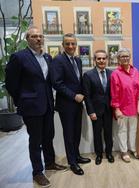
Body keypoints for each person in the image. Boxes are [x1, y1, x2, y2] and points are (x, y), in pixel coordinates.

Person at [5, 26, 66, 187]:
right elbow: (11, 84)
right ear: (27, 39)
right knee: (35, 140)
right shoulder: (19, 57)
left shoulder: (47, 57)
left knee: (49, 136)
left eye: (40, 36)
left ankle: (50, 162)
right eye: (34, 36)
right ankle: (37, 172)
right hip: (31, 107)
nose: (38, 39)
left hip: (47, 105)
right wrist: (21, 101)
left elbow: (48, 81)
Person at [50, 33, 90, 176]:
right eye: (67, 44)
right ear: (63, 45)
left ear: (76, 44)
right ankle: (72, 162)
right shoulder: (58, 60)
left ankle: (77, 156)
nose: (71, 46)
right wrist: (74, 96)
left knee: (77, 131)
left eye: (73, 43)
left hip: (78, 104)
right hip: (66, 104)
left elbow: (77, 81)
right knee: (69, 134)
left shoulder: (77, 60)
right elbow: (57, 83)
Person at [83, 50, 114, 165]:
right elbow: (87, 96)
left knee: (108, 133)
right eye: (98, 58)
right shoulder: (88, 75)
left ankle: (109, 153)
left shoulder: (112, 74)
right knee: (97, 134)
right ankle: (99, 155)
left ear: (107, 60)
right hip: (95, 111)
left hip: (109, 110)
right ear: (94, 60)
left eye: (103, 58)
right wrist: (91, 111)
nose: (101, 60)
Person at [110, 48, 139, 163]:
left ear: (130, 57)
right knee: (122, 131)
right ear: (118, 59)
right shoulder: (115, 74)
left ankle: (133, 148)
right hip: (121, 108)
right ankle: (124, 151)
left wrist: (138, 105)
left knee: (133, 130)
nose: (125, 58)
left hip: (134, 107)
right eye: (122, 56)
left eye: (127, 56)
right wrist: (116, 108)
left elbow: (138, 90)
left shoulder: (136, 71)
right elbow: (114, 93)